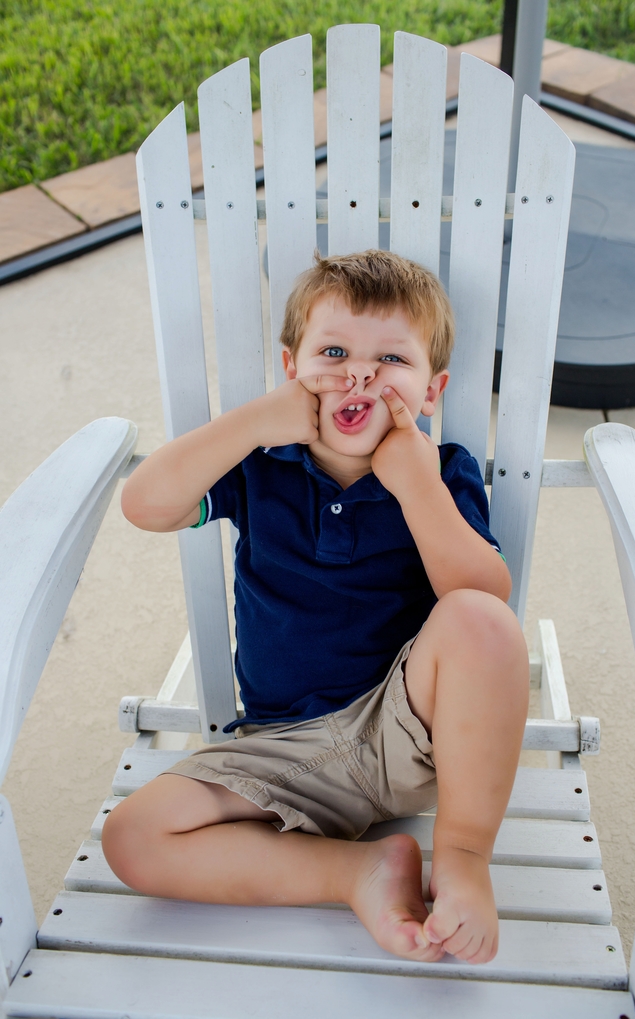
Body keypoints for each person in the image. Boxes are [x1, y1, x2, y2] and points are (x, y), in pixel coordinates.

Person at [103, 249, 529, 965]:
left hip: (409, 731)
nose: (358, 373)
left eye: (391, 358)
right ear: (292, 370)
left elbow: (484, 598)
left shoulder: (441, 468)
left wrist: (415, 483)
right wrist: (252, 423)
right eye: (333, 351)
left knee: (479, 621)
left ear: (432, 390)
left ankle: (460, 855)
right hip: (280, 749)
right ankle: (356, 871)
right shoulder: (260, 469)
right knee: (133, 838)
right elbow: (145, 505)